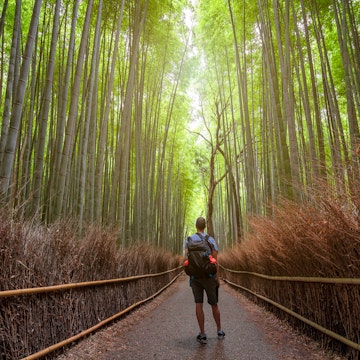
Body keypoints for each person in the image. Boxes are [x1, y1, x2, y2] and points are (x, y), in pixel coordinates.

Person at [184, 216, 225, 344]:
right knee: (214, 304)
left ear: (196, 226)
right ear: (205, 226)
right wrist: (217, 278)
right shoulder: (210, 240)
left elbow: (185, 258)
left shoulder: (189, 240)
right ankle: (219, 330)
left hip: (195, 278)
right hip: (209, 277)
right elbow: (215, 261)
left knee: (198, 304)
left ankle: (202, 334)